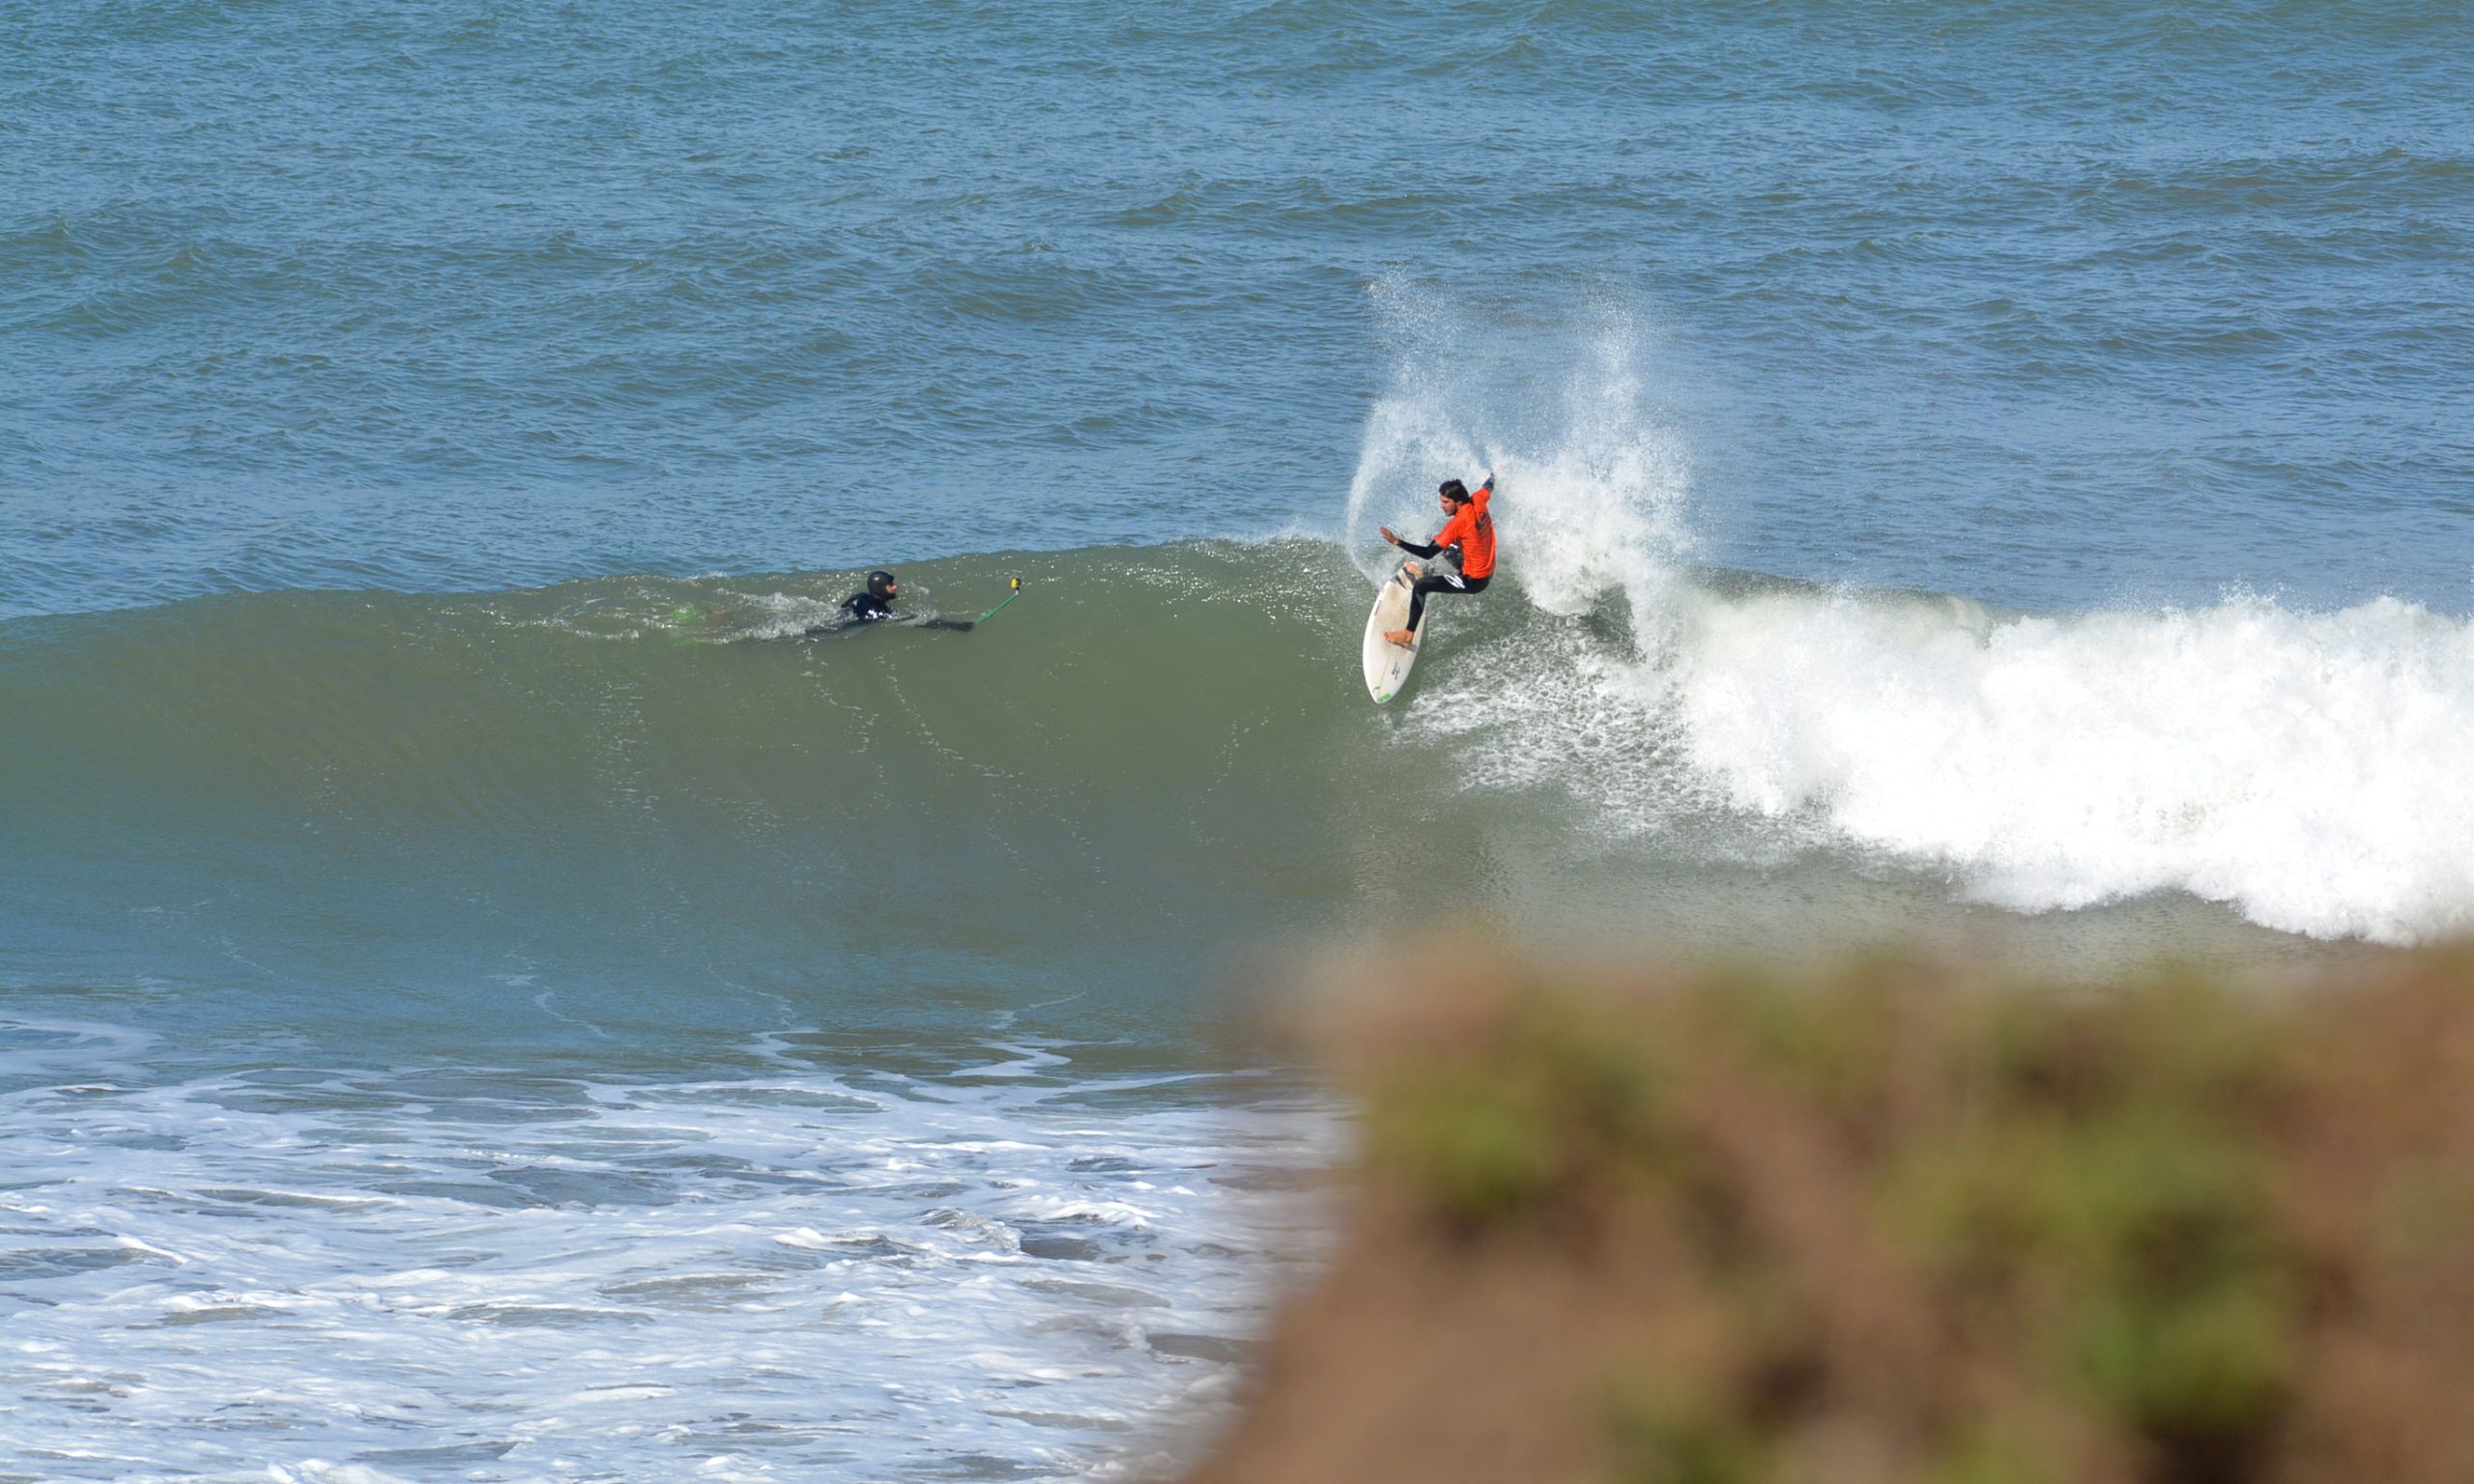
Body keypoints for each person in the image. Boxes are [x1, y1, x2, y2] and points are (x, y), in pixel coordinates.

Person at [1376, 472, 1495, 647]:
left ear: (1459, 501)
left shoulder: (1458, 523)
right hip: (1487, 567)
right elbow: (1488, 487)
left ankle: (1407, 635)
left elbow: (1428, 552)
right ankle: (1426, 573)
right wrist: (1494, 473)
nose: (1442, 506)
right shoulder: (1477, 500)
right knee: (1439, 540)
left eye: (1446, 502)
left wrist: (1397, 541)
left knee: (1421, 585)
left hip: (1474, 580)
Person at [816, 570, 974, 633]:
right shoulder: (877, 608)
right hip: (841, 627)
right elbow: (915, 621)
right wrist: (955, 626)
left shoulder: (861, 596)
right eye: (891, 584)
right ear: (880, 588)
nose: (895, 587)